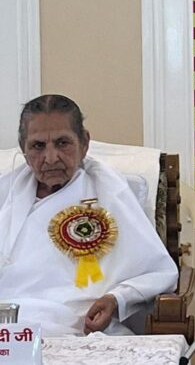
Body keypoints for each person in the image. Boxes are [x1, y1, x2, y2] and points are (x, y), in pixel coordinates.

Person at [0, 95, 178, 336]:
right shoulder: (5, 193)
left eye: (63, 143)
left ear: (84, 143)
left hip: (81, 326)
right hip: (7, 323)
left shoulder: (109, 192)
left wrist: (115, 299)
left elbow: (157, 271)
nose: (51, 158)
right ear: (23, 148)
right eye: (38, 146)